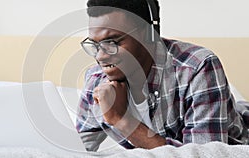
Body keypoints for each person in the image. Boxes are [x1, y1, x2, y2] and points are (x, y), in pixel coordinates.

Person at [76, 0, 248, 151]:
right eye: (95, 44)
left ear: (149, 33)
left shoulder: (197, 68)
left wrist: (122, 120)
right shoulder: (96, 80)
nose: (100, 56)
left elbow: (204, 154)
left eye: (112, 42)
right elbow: (76, 147)